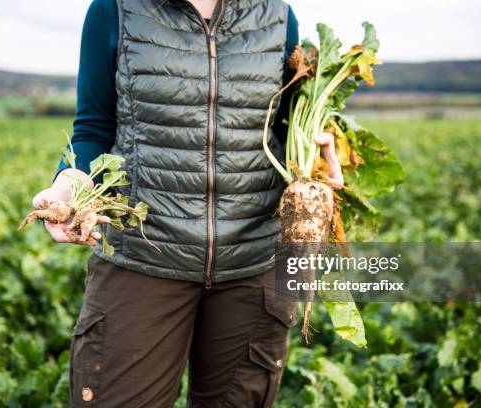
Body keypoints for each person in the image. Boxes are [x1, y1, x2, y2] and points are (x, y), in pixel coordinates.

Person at [31, 0, 343, 406]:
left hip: (252, 265)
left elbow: (280, 128)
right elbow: (94, 125)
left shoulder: (277, 16)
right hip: (142, 255)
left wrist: (318, 163)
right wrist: (68, 183)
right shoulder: (115, 9)